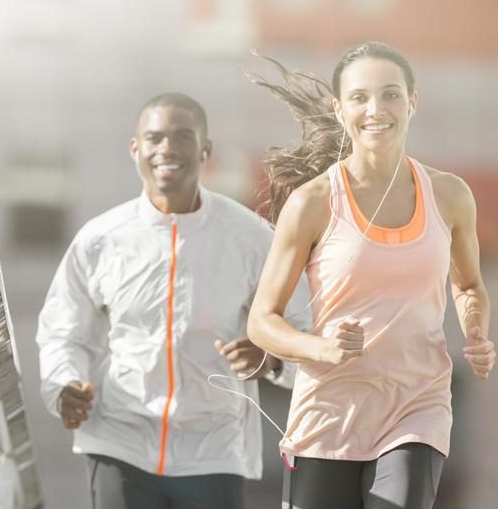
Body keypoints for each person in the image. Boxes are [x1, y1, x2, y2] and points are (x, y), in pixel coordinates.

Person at [245, 41, 497, 509]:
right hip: (327, 417)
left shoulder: (450, 196)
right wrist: (320, 348)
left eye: (391, 94)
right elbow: (262, 321)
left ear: (412, 102)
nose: (376, 109)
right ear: (340, 110)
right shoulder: (312, 203)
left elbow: (468, 285)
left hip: (416, 409)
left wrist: (476, 328)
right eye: (360, 97)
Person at [36, 92, 309, 509]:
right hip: (119, 443)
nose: (167, 148)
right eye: (154, 137)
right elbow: (63, 331)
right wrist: (63, 385)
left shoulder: (250, 237)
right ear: (135, 149)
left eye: (182, 136)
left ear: (205, 149)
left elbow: (304, 326)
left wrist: (271, 359)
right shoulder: (101, 238)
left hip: (214, 451)